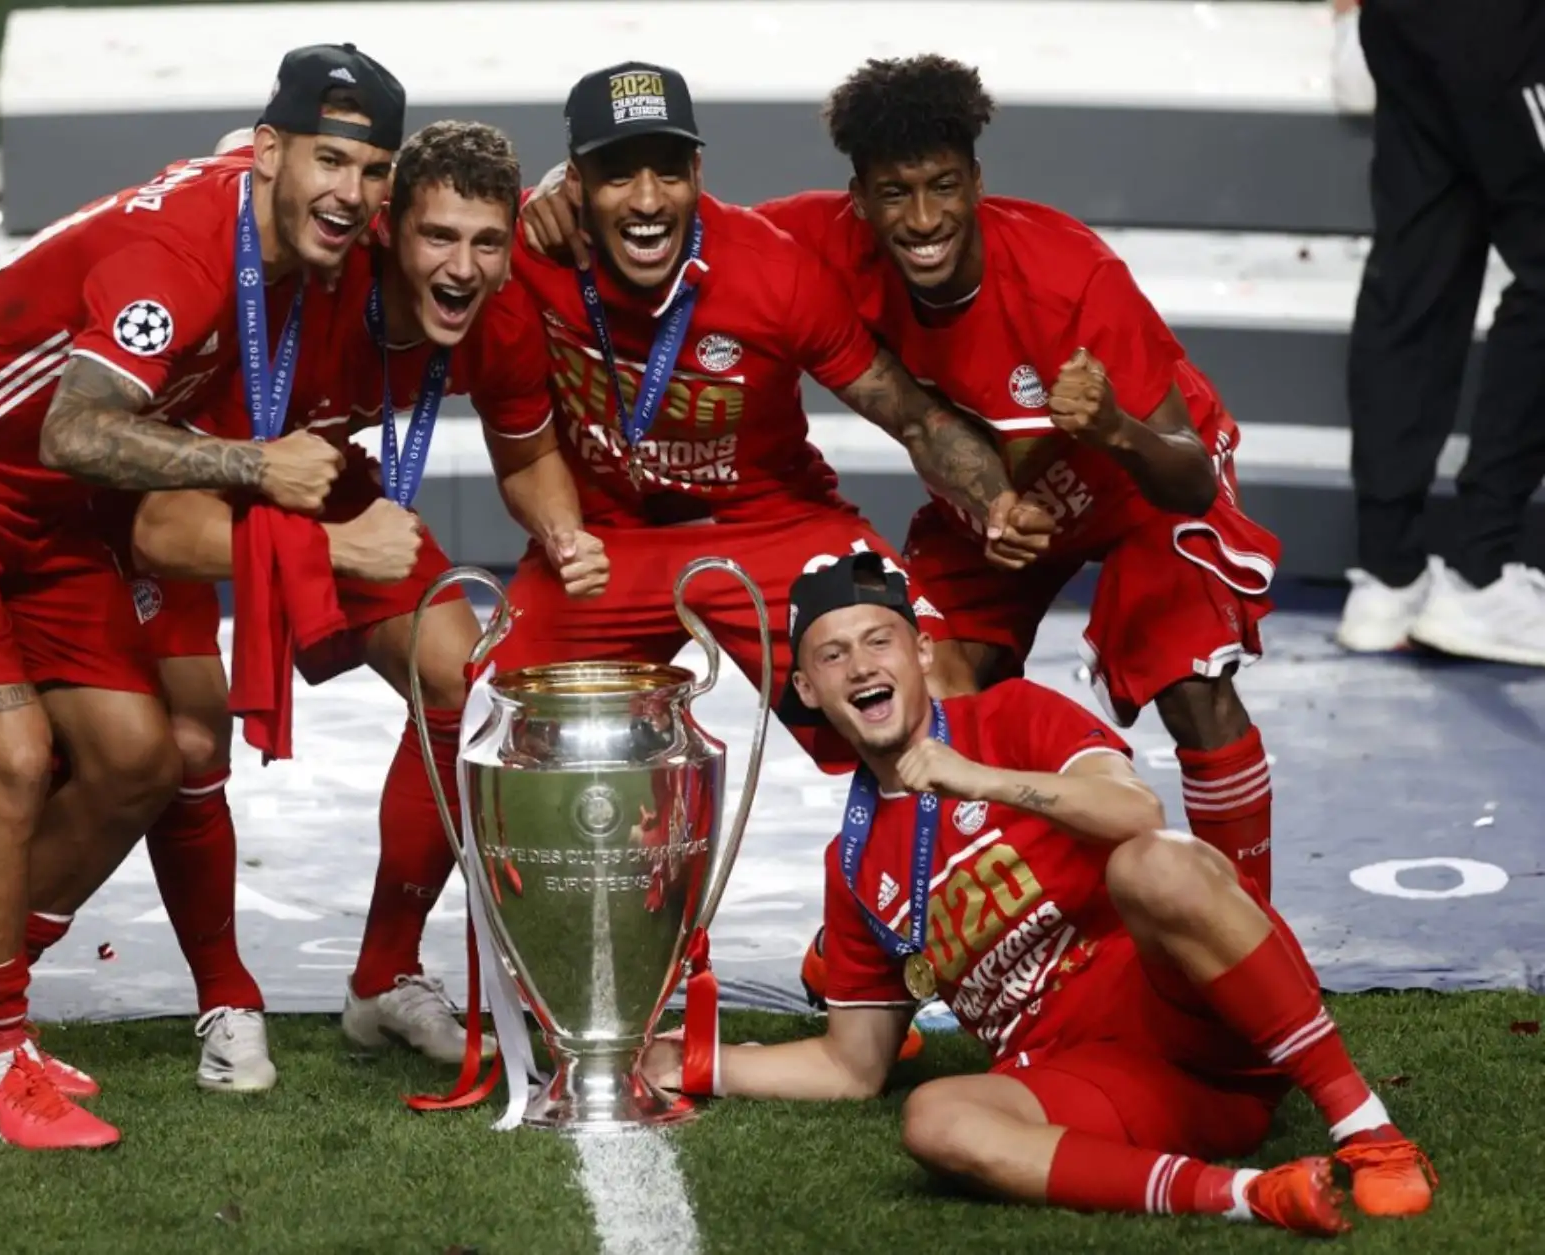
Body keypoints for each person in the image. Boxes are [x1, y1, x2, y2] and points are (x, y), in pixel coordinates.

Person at [0, 41, 401, 1149]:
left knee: (144, 756)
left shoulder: (274, 226)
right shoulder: (176, 255)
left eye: (372, 171)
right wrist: (253, 466)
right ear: (269, 150)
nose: (354, 194)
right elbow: (73, 427)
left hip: (50, 509)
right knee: (18, 759)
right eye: (332, 161)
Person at [518, 57, 1279, 900]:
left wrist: (1115, 430)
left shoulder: (1074, 278)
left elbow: (1189, 485)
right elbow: (681, 224)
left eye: (943, 188)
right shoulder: (811, 243)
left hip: (1137, 479)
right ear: (858, 196)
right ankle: (942, 926)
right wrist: (566, 185)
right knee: (927, 687)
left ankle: (1246, 925)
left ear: (977, 182)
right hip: (1005, 499)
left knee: (1191, 684)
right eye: (893, 194)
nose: (922, 219)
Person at [643, 550, 1436, 1235]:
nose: (860, 666)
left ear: (921, 651)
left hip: (1197, 1017)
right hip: (1095, 1087)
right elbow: (853, 1067)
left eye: (878, 640)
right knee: (934, 1118)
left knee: (1152, 863)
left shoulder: (1010, 717)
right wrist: (701, 1062)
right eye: (832, 655)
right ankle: (1251, 1196)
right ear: (811, 691)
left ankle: (1368, 1129)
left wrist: (982, 780)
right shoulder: (853, 862)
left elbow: (1139, 813)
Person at [123, 119, 608, 1064]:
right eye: (439, 238)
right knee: (186, 738)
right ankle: (224, 995)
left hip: (309, 470)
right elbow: (159, 523)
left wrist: (563, 531)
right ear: (389, 230)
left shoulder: (494, 315)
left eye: (488, 242)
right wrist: (336, 548)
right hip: (178, 472)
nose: (464, 267)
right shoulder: (307, 274)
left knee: (467, 689)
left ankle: (383, 977)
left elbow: (531, 452)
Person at [479, 61, 1048, 773]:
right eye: (618, 174)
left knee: (930, 694)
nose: (649, 199)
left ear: (697, 168)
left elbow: (912, 418)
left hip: (773, 523)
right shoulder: (527, 248)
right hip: (607, 538)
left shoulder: (775, 272)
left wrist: (995, 499)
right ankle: (418, 891)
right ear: (577, 182)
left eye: (668, 170)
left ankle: (966, 877)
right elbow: (411, 223)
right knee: (472, 714)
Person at [1336, 0, 1545, 666]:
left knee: (1418, 266)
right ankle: (1481, 574)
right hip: (1499, 24)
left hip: (1408, 19)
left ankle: (1388, 577)